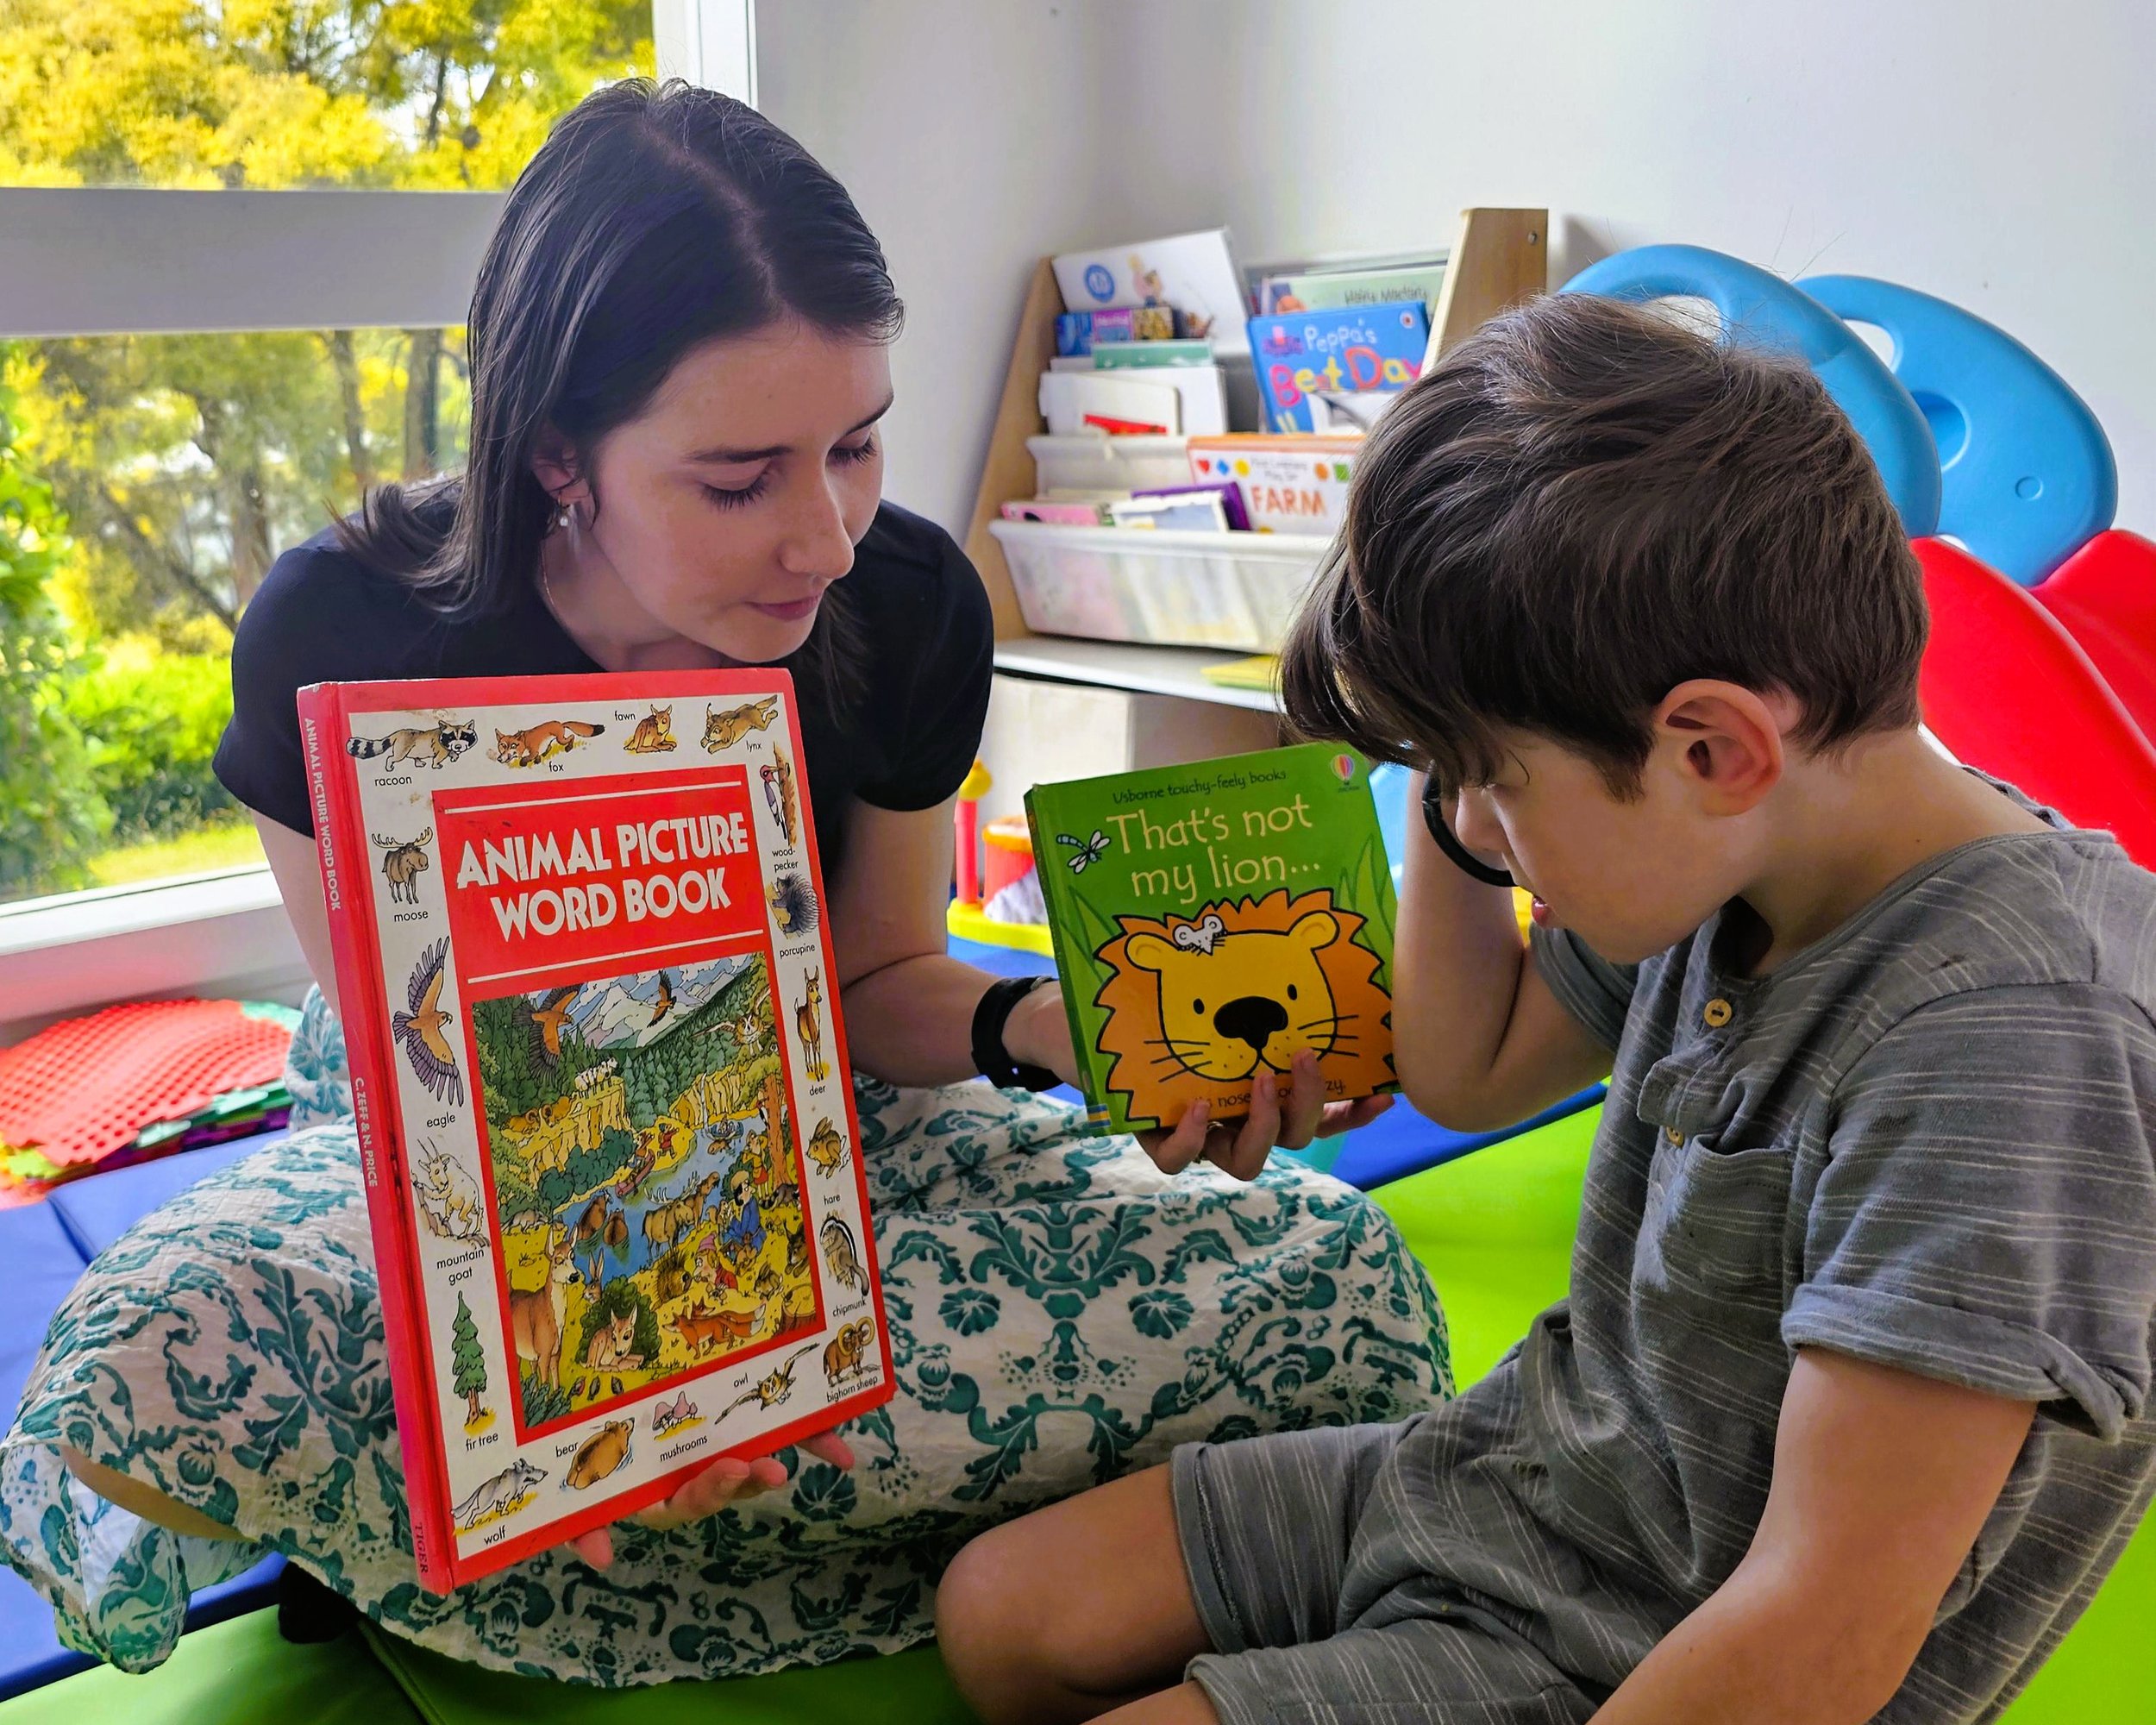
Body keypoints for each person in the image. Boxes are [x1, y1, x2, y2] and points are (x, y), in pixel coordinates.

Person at [63, 79, 1447, 1684]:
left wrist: (1044, 1025)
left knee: (1342, 1282)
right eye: (739, 480)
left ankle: (534, 1543)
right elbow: (418, 1093)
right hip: (476, 1142)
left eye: (854, 446)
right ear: (560, 456)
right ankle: (653, 1497)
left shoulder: (909, 600)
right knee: (148, 1358)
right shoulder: (342, 632)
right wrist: (625, 1342)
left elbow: (876, 984)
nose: (827, 539)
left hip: (829, 1108)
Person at [934, 295, 2156, 1724]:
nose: (1463, 826)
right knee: (1004, 1618)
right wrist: (1456, 769)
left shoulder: (2011, 1049)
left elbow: (1814, 1635)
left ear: (1713, 748)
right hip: (1524, 1471)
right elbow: (1469, 1074)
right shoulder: (1744, 848)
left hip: (1651, 1646)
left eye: (1485, 783)